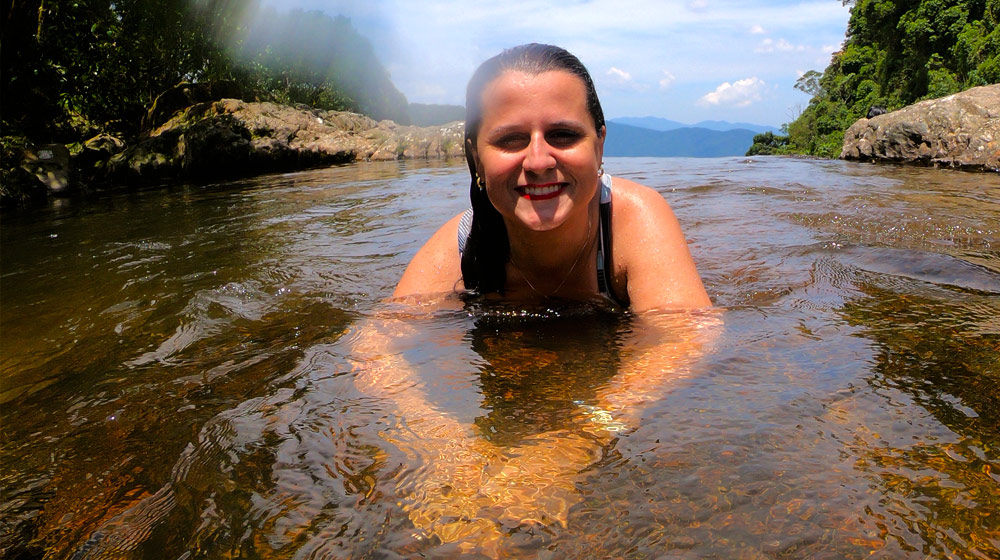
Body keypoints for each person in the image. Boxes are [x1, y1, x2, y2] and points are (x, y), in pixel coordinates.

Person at [394, 43, 711, 312]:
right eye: (510, 139)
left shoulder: (633, 221)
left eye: (562, 135)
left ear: (599, 147)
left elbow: (683, 341)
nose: (538, 161)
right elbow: (379, 351)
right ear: (476, 158)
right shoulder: (464, 246)